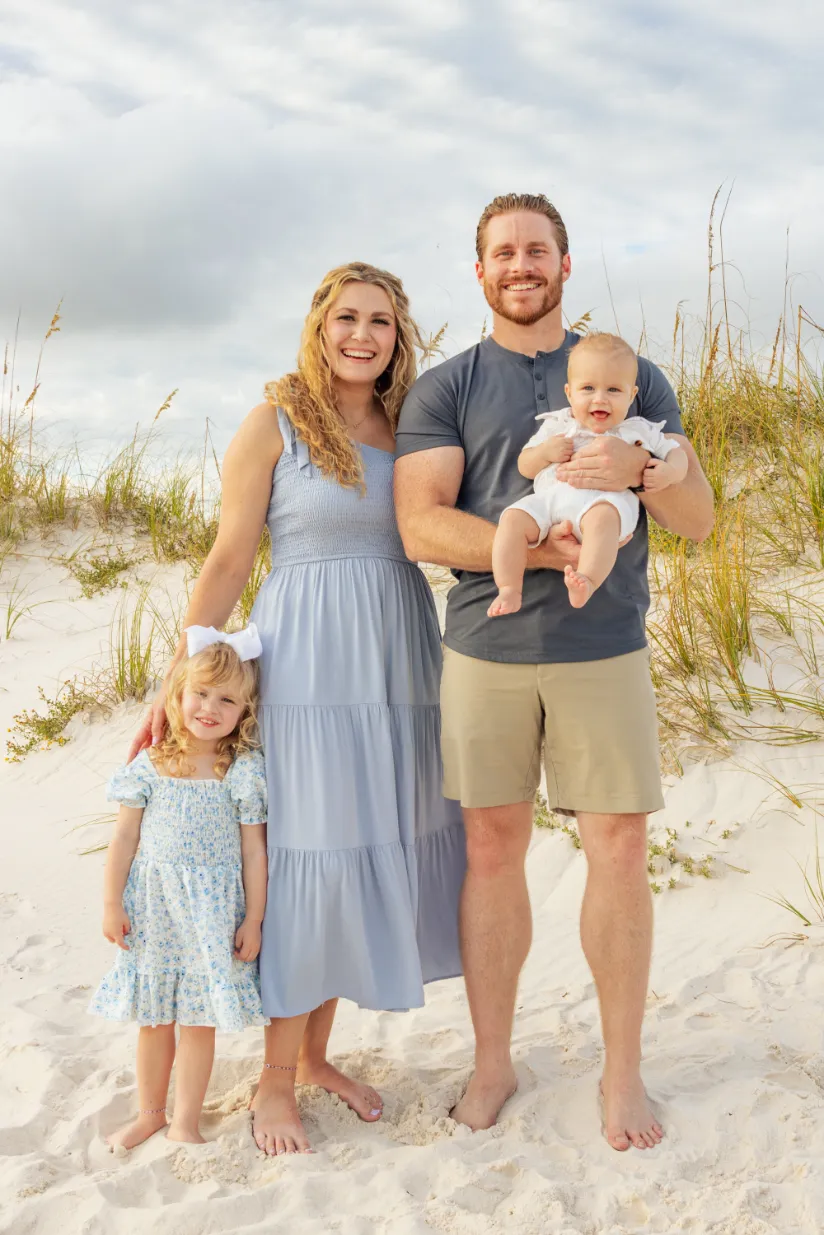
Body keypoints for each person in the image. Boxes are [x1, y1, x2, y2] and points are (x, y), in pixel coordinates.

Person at [394, 193, 714, 1151]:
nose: (520, 264)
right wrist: (536, 549)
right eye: (504, 252)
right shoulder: (445, 386)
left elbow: (696, 518)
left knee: (617, 849)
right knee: (492, 851)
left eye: (538, 250)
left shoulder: (629, 372)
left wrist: (646, 471)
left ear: (565, 264)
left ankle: (623, 1076)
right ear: (481, 269)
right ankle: (494, 1061)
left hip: (603, 646)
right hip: (484, 649)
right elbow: (421, 523)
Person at [129, 262, 465, 1157]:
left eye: (381, 322)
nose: (363, 334)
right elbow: (230, 559)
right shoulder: (272, 423)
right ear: (319, 326)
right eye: (347, 317)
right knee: (308, 856)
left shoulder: (412, 426)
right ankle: (273, 1083)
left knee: (364, 850)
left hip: (397, 664)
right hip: (309, 670)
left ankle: (316, 1057)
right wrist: (177, 678)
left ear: (400, 337)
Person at [91, 630, 268, 1150]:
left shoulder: (239, 771)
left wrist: (253, 918)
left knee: (198, 1020)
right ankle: (150, 1113)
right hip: (154, 909)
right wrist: (111, 903)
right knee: (154, 1017)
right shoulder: (150, 764)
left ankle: (187, 1119)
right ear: (177, 696)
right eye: (201, 693)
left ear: (244, 711)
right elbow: (124, 839)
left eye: (227, 699)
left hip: (212, 915)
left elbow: (254, 851)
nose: (210, 707)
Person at [489, 332, 688, 615]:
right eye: (588, 389)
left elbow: (677, 454)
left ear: (632, 394)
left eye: (614, 390)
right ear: (570, 393)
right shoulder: (558, 426)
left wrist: (669, 472)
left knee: (604, 519)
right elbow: (525, 464)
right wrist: (545, 453)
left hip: (603, 501)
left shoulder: (637, 430)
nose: (600, 399)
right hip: (551, 499)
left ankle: (587, 581)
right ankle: (509, 588)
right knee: (511, 519)